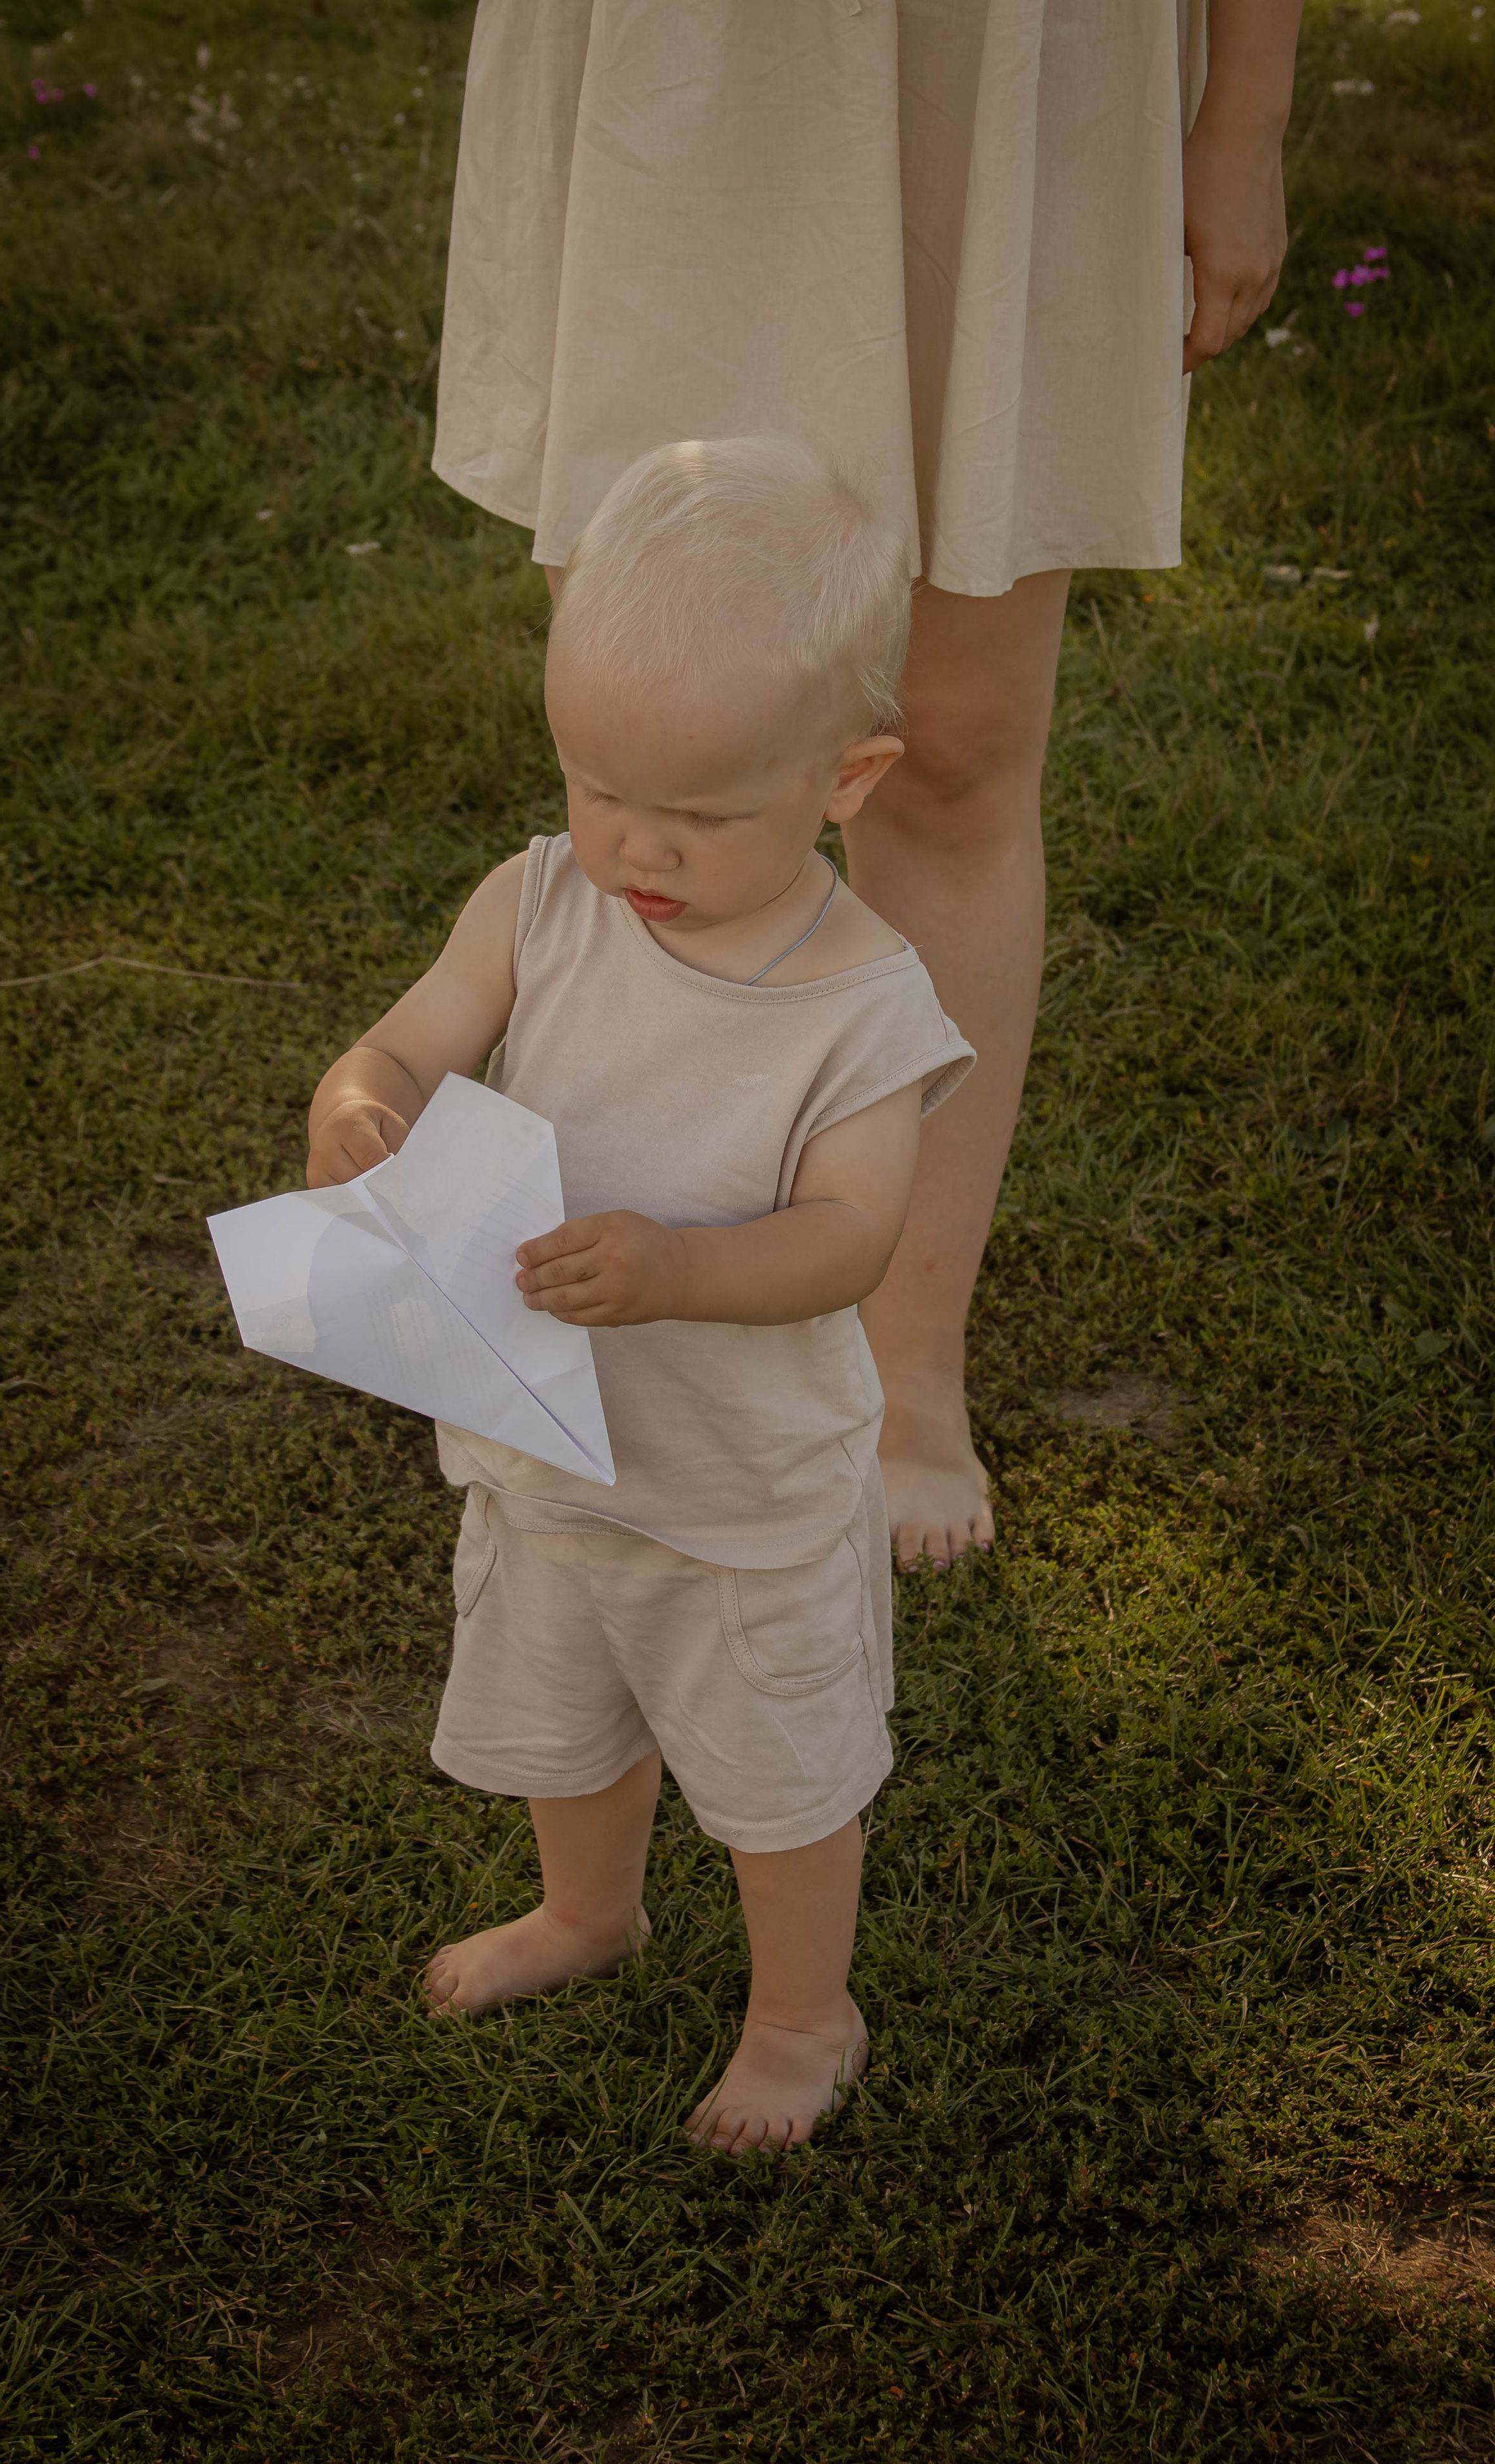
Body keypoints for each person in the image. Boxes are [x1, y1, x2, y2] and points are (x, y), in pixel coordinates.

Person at [430, 0, 1304, 1571]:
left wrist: (1242, 114)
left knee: (957, 744)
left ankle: (902, 1367)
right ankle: (617, 1315)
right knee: (664, 732)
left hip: (1000, 60)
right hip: (685, 67)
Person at [306, 438, 973, 2152]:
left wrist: (679, 1267)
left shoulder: (861, 1004)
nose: (632, 843)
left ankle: (805, 2017)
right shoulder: (540, 904)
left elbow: (849, 1239)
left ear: (849, 774)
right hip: (545, 1444)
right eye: (598, 787)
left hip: (740, 1486)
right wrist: (361, 1109)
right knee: (565, 1705)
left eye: (695, 813)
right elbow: (403, 1044)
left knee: (774, 1774)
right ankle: (591, 1911)